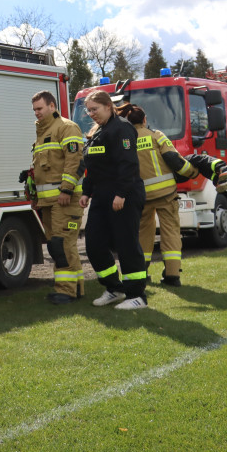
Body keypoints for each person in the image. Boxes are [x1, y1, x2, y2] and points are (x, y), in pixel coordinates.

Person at [125, 105, 227, 287]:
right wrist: (193, 173)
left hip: (141, 195)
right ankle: (172, 275)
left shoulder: (125, 141)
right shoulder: (155, 135)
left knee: (143, 233)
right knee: (171, 231)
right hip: (165, 193)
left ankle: (141, 272)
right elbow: (174, 160)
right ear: (145, 119)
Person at [78, 91, 148, 310]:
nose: (91, 114)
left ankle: (137, 296)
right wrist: (86, 192)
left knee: (126, 244)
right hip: (101, 196)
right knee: (94, 244)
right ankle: (114, 288)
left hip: (123, 195)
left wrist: (121, 194)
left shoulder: (122, 128)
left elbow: (128, 165)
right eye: (88, 110)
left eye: (94, 109)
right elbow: (92, 167)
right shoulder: (98, 132)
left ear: (108, 106)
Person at [21, 91, 85, 305]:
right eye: (34, 110)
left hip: (64, 199)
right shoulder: (42, 132)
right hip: (49, 202)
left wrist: (67, 190)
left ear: (52, 106)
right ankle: (75, 288)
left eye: (40, 108)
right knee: (60, 244)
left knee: (61, 244)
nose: (36, 113)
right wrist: (33, 192)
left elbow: (74, 161)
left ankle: (66, 290)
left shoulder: (67, 127)